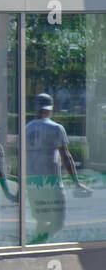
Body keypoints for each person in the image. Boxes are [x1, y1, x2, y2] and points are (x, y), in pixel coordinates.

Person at [25, 93, 90, 244]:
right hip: (50, 181)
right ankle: (37, 244)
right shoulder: (56, 128)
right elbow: (66, 156)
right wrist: (76, 181)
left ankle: (35, 247)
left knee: (40, 220)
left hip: (32, 181)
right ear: (51, 109)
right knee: (58, 221)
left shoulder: (26, 129)